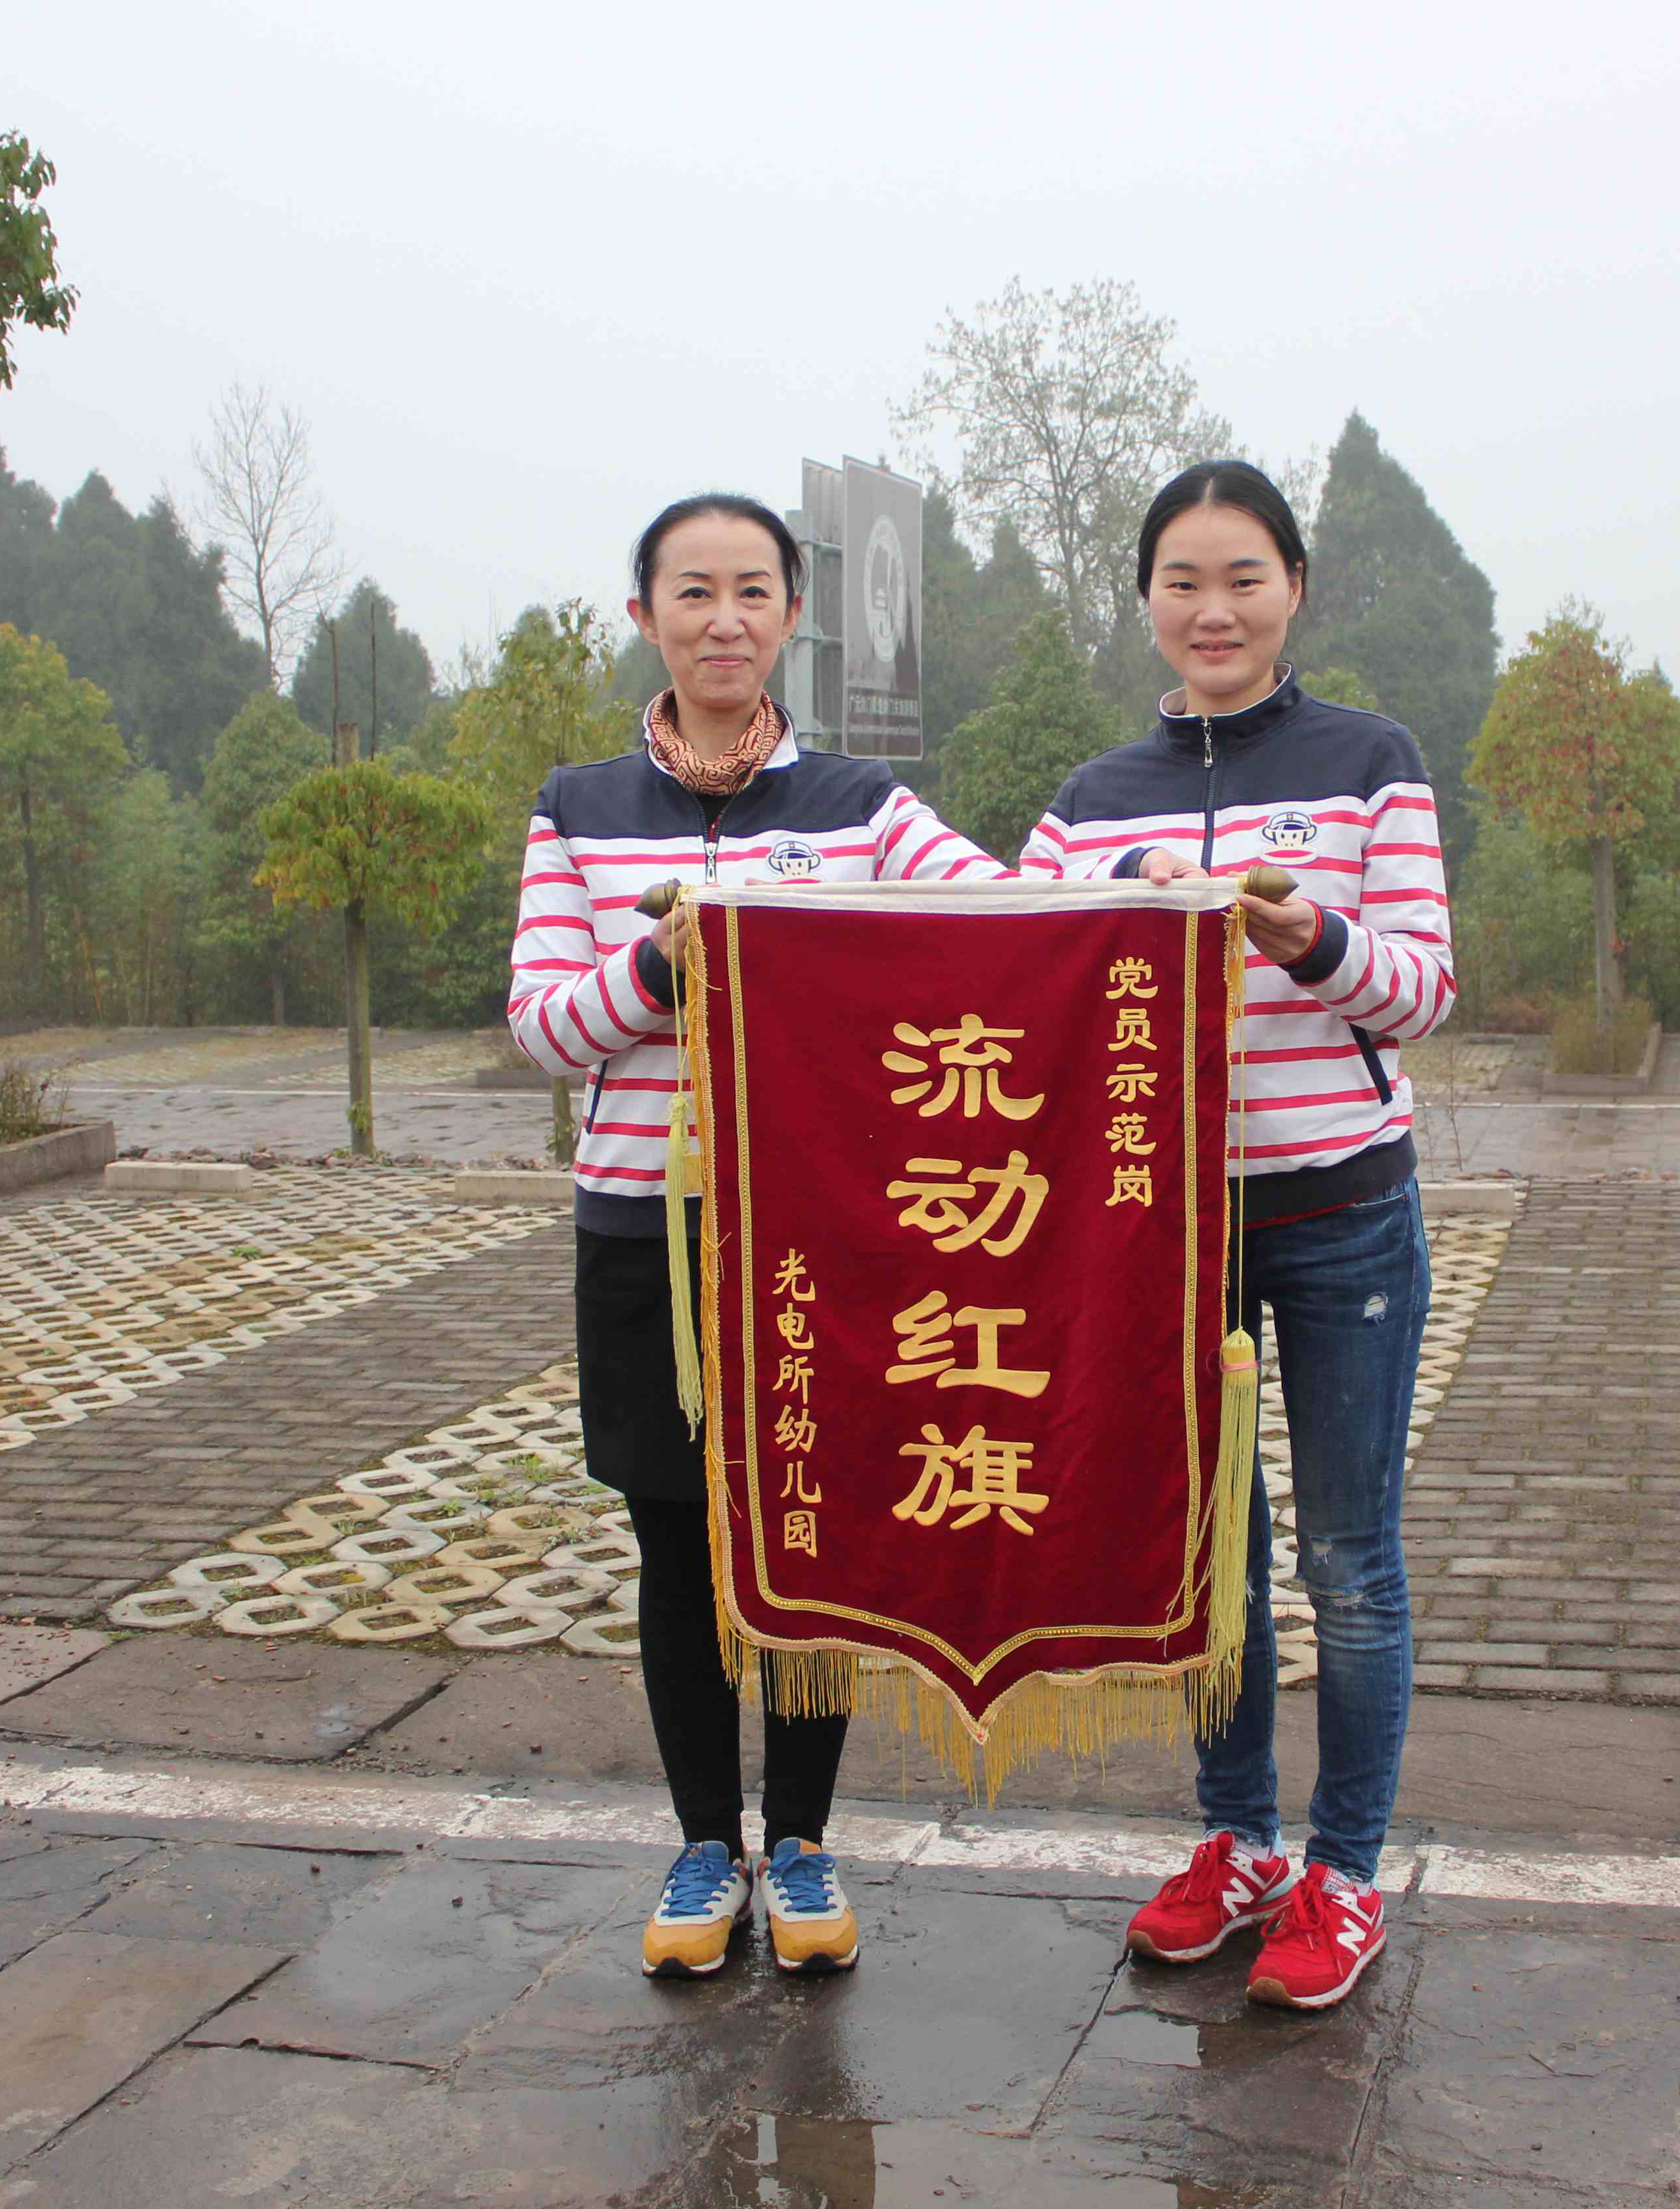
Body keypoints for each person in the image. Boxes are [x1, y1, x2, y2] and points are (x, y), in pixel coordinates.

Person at [508, 492, 1002, 1979]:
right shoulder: (576, 808)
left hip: (818, 1234)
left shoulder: (862, 806)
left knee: (808, 1532)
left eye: (752, 592)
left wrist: (1161, 907)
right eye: (693, 591)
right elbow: (544, 1027)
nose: (723, 620)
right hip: (642, 1232)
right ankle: (701, 1846)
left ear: (794, 615)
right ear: (645, 615)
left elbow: (1002, 917)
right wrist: (660, 969)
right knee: (674, 1541)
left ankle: (799, 1841)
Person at [1019, 461, 1455, 2011]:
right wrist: (1122, 889)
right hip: (1164, 1235)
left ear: (1295, 590)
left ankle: (1344, 1873)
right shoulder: (1090, 800)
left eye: (1244, 579)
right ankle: (1241, 1845)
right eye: (1184, 582)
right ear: (1145, 598)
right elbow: (1013, 972)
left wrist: (1309, 936)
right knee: (1213, 1558)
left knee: (1349, 1557)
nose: (1215, 610)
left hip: (1342, 1215)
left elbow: (1422, 992)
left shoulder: (1370, 765)